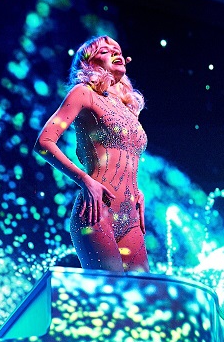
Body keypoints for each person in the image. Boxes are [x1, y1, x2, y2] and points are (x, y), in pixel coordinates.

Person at [34, 35, 150, 272]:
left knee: (144, 291)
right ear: (90, 63)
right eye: (106, 51)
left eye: (117, 50)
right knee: (112, 290)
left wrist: (137, 191)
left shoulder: (128, 110)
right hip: (97, 211)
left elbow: (125, 157)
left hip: (130, 216)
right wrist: (85, 180)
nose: (115, 53)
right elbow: (44, 142)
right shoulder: (83, 93)